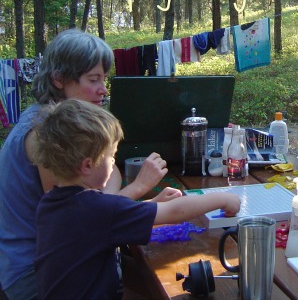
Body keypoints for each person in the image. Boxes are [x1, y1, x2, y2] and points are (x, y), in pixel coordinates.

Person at [0, 29, 176, 299]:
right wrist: (137, 190)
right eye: (93, 79)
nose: (103, 90)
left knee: (168, 280)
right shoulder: (45, 132)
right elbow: (74, 221)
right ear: (59, 79)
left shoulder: (69, 123)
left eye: (103, 79)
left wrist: (109, 203)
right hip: (35, 274)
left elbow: (109, 171)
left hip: (70, 254)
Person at [31, 99, 240, 299]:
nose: (114, 161)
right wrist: (222, 198)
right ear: (87, 166)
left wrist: (152, 205)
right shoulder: (98, 209)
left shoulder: (51, 203)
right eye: (111, 157)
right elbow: (176, 212)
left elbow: (106, 222)